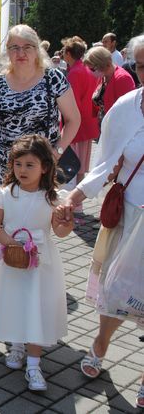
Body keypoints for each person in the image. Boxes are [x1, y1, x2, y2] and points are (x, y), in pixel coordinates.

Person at [56, 34, 144, 409]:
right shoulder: (126, 108)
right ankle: (101, 343)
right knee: (116, 289)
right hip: (130, 215)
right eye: (142, 64)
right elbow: (106, 163)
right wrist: (74, 199)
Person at [0, 134, 74, 392]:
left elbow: (58, 232)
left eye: (30, 165)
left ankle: (34, 365)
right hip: (9, 258)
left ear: (45, 167)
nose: (22, 170)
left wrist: (66, 224)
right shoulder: (4, 194)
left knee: (36, 306)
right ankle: (15, 346)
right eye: (18, 164)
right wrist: (11, 245)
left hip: (41, 261)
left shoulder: (52, 198)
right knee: (13, 301)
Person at [0, 25, 81, 191]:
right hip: (7, 169)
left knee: (41, 215)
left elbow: (73, 120)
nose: (20, 53)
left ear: (37, 50)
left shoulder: (53, 78)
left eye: (27, 47)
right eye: (14, 47)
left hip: (43, 167)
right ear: (7, 51)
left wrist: (56, 152)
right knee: (8, 214)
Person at [61, 36, 99, 189]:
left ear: (69, 54)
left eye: (64, 51)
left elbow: (71, 103)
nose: (63, 54)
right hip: (87, 122)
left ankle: (71, 200)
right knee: (81, 165)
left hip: (76, 125)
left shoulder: (75, 72)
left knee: (71, 164)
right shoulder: (86, 70)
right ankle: (77, 202)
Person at [83, 46, 136, 120]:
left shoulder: (122, 79)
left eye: (92, 69)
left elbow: (127, 111)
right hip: (105, 125)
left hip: (117, 127)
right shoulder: (103, 76)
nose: (90, 71)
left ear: (102, 64)